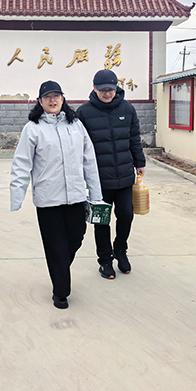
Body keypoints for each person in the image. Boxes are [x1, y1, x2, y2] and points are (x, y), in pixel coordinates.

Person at [10, 80, 103, 309]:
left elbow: (89, 160)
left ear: (63, 99)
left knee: (77, 236)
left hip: (76, 196)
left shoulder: (76, 125)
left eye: (56, 96)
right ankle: (60, 292)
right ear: (40, 102)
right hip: (48, 199)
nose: (52, 100)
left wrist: (96, 194)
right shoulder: (33, 128)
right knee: (55, 246)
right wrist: (17, 196)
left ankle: (59, 267)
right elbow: (22, 164)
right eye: (47, 97)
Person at [76, 69, 145, 279]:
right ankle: (105, 260)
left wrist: (139, 162)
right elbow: (78, 146)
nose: (107, 93)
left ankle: (121, 250)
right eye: (103, 90)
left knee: (126, 215)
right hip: (98, 179)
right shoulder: (84, 112)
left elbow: (134, 137)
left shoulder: (127, 108)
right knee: (101, 221)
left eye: (111, 89)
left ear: (116, 88)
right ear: (94, 88)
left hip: (124, 175)